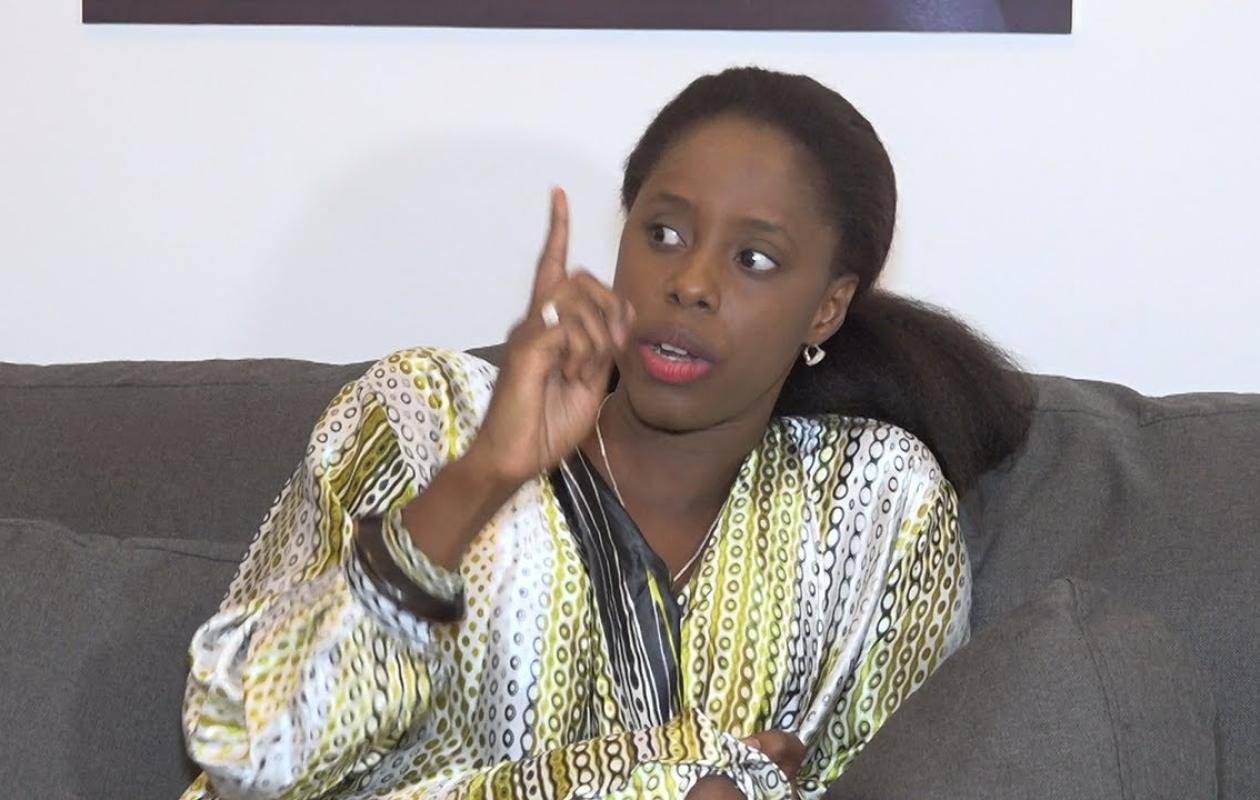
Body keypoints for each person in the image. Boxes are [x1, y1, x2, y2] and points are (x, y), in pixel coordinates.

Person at [179, 66, 1033, 800]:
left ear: (828, 308)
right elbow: (245, 747)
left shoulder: (876, 505)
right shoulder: (425, 415)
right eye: (664, 233)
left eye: (754, 259)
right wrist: (481, 477)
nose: (690, 282)